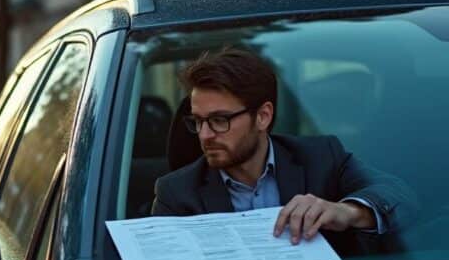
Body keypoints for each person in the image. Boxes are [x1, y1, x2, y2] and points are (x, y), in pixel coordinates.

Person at [151, 48, 416, 249]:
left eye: (220, 120)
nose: (205, 135)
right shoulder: (176, 193)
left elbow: (401, 197)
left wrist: (345, 212)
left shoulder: (323, 157)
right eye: (198, 121)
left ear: (263, 116)